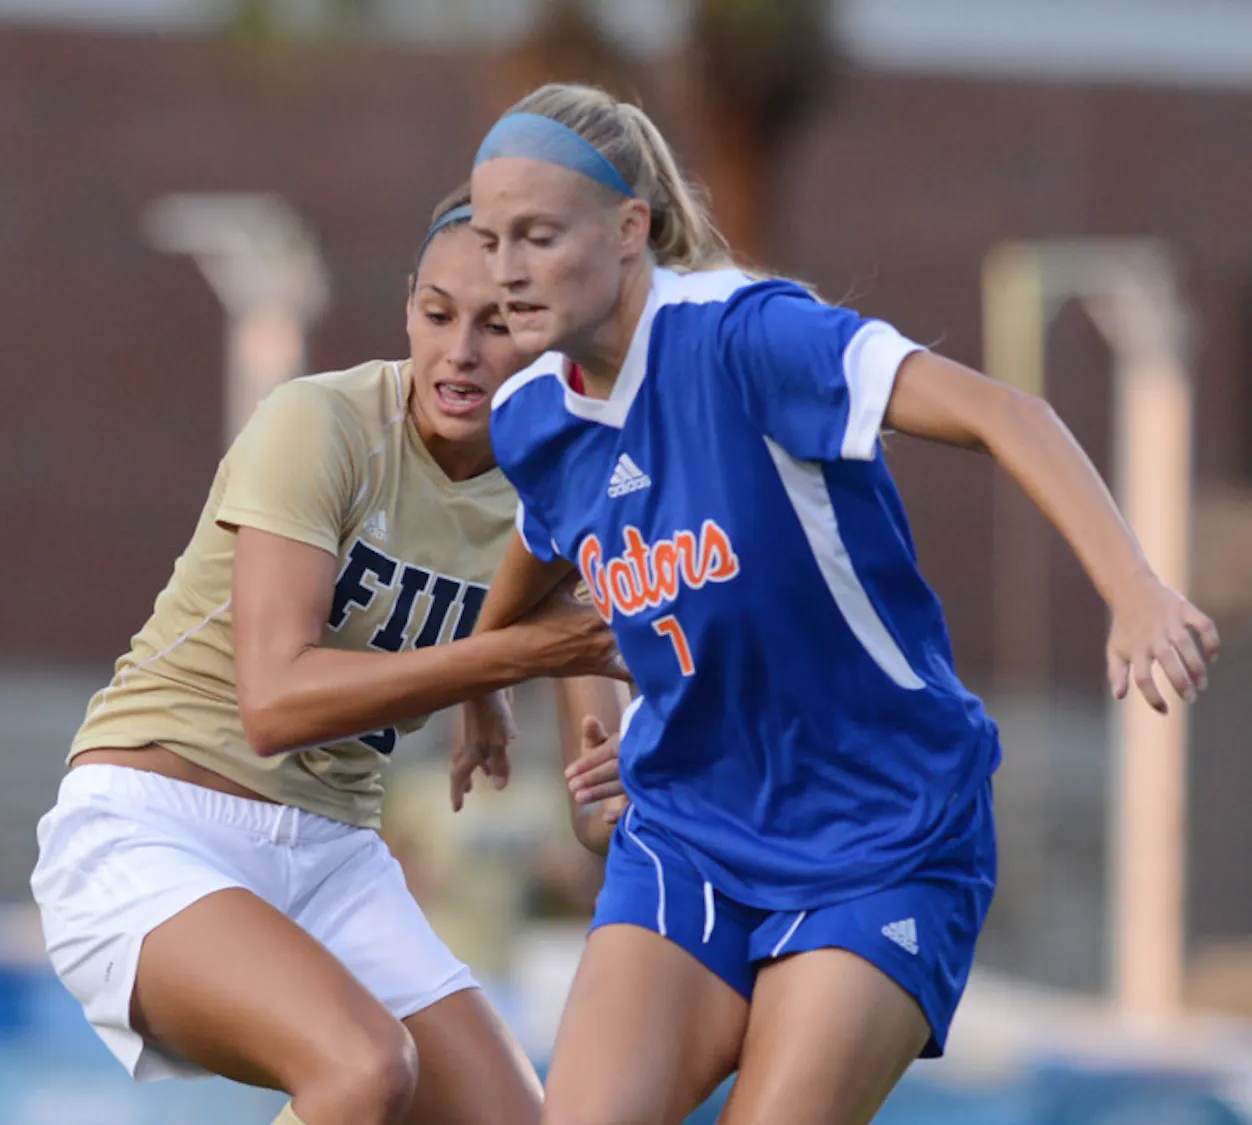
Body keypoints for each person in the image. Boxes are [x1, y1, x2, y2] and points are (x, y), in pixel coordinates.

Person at [455, 84, 1220, 1125]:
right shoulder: (533, 416)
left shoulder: (751, 337)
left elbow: (1010, 412)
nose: (505, 271)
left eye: (537, 236)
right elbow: (551, 554)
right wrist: (489, 686)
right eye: (490, 237)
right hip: (688, 834)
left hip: (883, 836)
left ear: (630, 229)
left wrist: (1133, 588)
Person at [30, 186, 630, 1125]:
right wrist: (497, 666)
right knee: (362, 1067)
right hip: (157, 829)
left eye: (501, 323)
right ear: (407, 308)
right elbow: (274, 703)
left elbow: (598, 806)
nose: (460, 352)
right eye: (437, 314)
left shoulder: (561, 487)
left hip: (332, 853)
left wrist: (626, 780)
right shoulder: (325, 423)